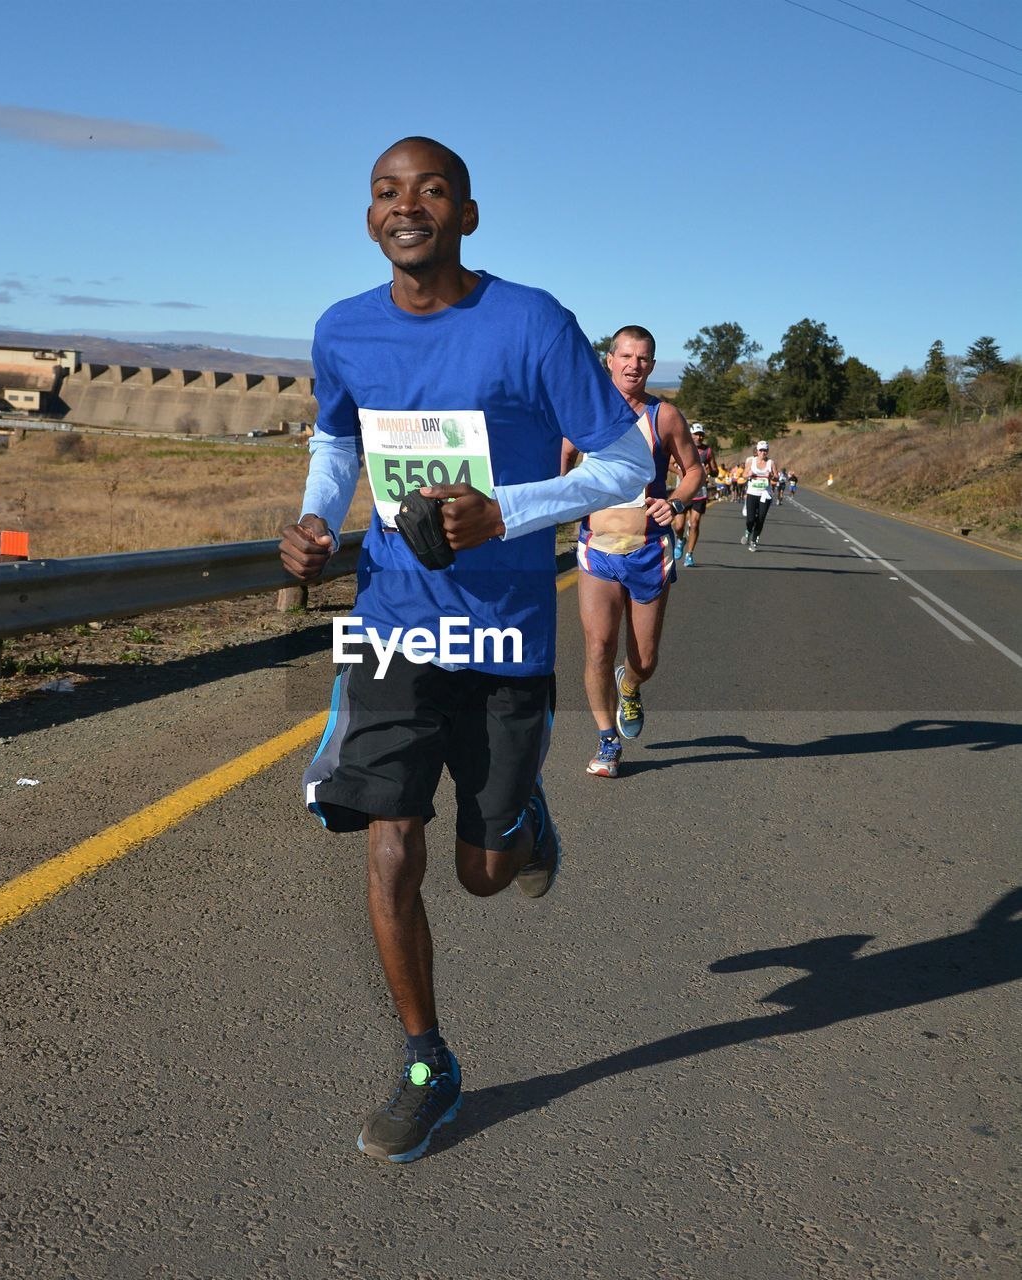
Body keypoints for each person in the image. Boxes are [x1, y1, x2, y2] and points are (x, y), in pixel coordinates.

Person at [279, 136, 653, 1164]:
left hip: (502, 633)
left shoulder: (530, 322)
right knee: (388, 840)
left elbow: (624, 461)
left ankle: (522, 822)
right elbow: (336, 438)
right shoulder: (342, 329)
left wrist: (510, 513)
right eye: (386, 193)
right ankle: (424, 1058)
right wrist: (315, 518)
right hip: (395, 620)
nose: (407, 207)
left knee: (483, 872)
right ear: (369, 218)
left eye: (430, 190)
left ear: (466, 215)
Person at [561, 326, 703, 778]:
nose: (633, 365)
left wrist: (676, 501)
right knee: (598, 646)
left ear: (652, 365)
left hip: (648, 550)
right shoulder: (583, 412)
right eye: (625, 356)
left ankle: (632, 685)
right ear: (610, 359)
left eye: (642, 359)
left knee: (644, 659)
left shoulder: (665, 417)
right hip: (596, 549)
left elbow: (694, 471)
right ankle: (606, 740)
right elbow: (559, 462)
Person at [671, 423, 716, 567]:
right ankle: (680, 539)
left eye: (701, 434)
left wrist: (710, 471)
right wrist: (679, 472)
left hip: (699, 492)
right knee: (678, 526)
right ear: (690, 435)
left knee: (694, 523)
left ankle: (689, 554)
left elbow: (715, 470)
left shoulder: (707, 451)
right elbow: (669, 463)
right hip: (682, 492)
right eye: (696, 434)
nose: (699, 437)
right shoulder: (682, 447)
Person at [742, 440, 778, 550]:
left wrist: (771, 475)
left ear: (767, 451)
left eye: (765, 450)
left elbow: (776, 477)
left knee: (761, 518)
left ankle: (754, 541)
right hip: (752, 493)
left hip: (765, 494)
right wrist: (748, 474)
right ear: (757, 451)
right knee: (750, 519)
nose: (763, 452)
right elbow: (743, 475)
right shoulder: (751, 461)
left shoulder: (770, 463)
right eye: (761, 450)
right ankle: (748, 530)